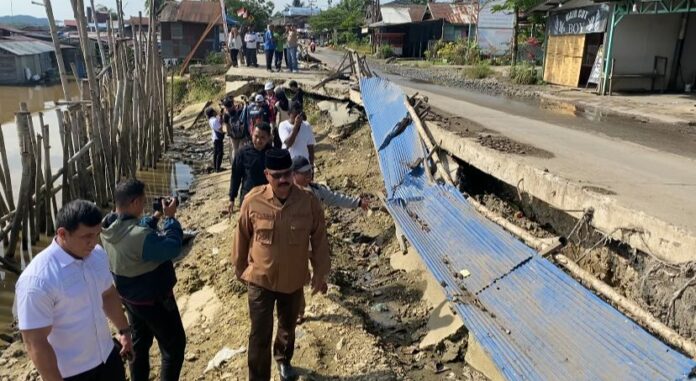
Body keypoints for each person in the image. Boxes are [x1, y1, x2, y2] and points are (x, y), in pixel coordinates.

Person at [232, 148, 330, 381]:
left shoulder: (307, 201)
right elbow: (242, 237)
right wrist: (240, 269)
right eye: (278, 176)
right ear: (267, 175)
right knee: (260, 335)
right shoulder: (253, 201)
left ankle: (283, 360)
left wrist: (320, 273)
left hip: (293, 279)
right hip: (260, 280)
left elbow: (319, 238)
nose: (284, 180)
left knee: (287, 327)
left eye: (287, 174)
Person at [15, 199, 132, 381]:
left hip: (108, 356)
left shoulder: (97, 255)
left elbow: (108, 294)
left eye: (96, 234)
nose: (93, 242)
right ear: (62, 233)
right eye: (86, 237)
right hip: (73, 373)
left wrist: (124, 331)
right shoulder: (37, 280)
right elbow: (34, 342)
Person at [101, 179, 185, 381]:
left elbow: (130, 230)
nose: (145, 204)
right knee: (173, 347)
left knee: (140, 344)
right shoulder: (141, 237)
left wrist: (155, 216)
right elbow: (172, 247)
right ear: (134, 202)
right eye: (143, 201)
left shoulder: (107, 229)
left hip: (131, 300)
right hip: (156, 301)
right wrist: (170, 219)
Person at [291, 155, 369, 323]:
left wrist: (358, 202)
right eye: (304, 173)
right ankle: (299, 312)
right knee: (297, 276)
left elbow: (336, 198)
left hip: (316, 238)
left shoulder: (317, 191)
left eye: (309, 172)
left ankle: (320, 282)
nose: (308, 176)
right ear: (293, 174)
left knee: (320, 266)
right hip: (296, 242)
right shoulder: (287, 195)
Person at [229, 122, 273, 212]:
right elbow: (235, 176)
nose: (258, 140)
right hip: (248, 196)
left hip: (268, 197)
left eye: (262, 138)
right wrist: (232, 198)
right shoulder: (242, 153)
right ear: (251, 134)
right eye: (256, 136)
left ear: (269, 137)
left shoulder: (273, 154)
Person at [223, 96, 247, 167]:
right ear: (232, 104)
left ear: (225, 106)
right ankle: (243, 163)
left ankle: (235, 164)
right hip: (242, 133)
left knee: (235, 149)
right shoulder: (239, 110)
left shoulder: (226, 115)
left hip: (233, 135)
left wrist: (229, 133)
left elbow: (227, 126)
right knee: (242, 148)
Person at [264, 82, 281, 148]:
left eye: (269, 90)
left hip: (273, 119)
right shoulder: (265, 98)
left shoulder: (276, 98)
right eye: (266, 90)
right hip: (266, 119)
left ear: (272, 89)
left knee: (272, 134)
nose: (267, 92)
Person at [207, 107, 224, 172]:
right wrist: (223, 132)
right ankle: (218, 168)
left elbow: (218, 119)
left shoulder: (211, 119)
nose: (215, 112)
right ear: (212, 113)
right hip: (218, 137)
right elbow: (220, 128)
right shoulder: (214, 120)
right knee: (220, 153)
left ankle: (215, 167)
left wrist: (220, 115)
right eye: (214, 111)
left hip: (214, 137)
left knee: (216, 153)